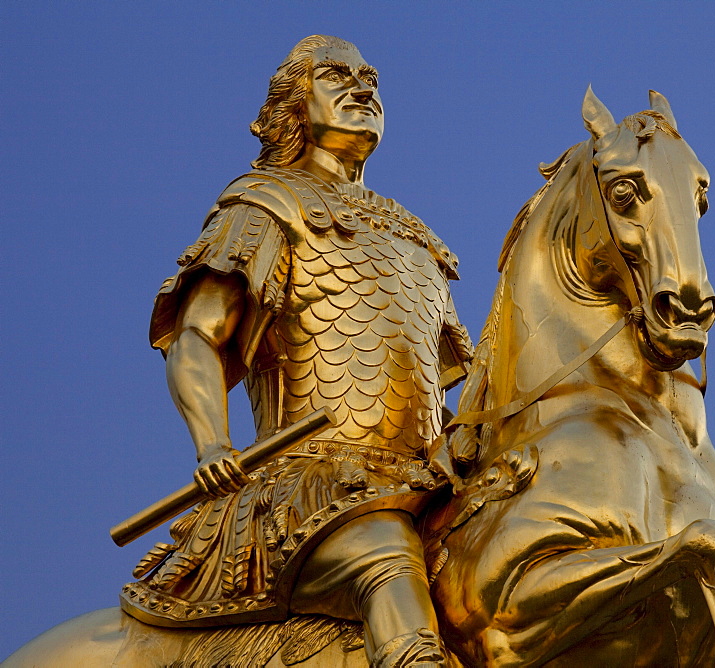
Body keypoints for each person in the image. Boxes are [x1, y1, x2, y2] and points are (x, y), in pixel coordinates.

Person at [120, 35, 472, 667]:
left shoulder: (417, 239)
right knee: (386, 561)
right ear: (293, 107)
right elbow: (199, 335)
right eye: (337, 76)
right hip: (308, 490)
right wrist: (213, 446)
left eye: (370, 77)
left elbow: (446, 394)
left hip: (423, 484)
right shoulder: (265, 207)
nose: (363, 87)